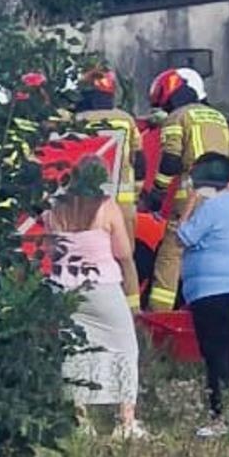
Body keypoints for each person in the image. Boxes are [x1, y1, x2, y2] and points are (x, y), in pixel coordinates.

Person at [44, 158, 146, 439]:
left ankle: (80, 421)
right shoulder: (107, 207)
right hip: (101, 286)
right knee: (125, 348)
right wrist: (133, 297)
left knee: (74, 351)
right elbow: (124, 254)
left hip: (64, 288)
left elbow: (50, 252)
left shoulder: (55, 210)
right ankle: (126, 421)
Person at [175, 152, 229, 437]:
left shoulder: (211, 207)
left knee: (214, 354)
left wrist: (190, 205)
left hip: (210, 291)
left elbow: (182, 237)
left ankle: (218, 417)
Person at [142, 67, 229, 311]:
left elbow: (171, 161)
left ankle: (158, 316)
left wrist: (156, 195)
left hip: (192, 196)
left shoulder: (176, 118)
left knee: (170, 254)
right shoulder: (217, 117)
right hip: (226, 198)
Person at [73, 65, 146, 306]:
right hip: (123, 204)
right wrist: (138, 191)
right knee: (126, 259)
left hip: (85, 205)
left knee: (86, 256)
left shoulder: (77, 122)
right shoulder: (125, 120)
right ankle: (133, 312)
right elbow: (141, 158)